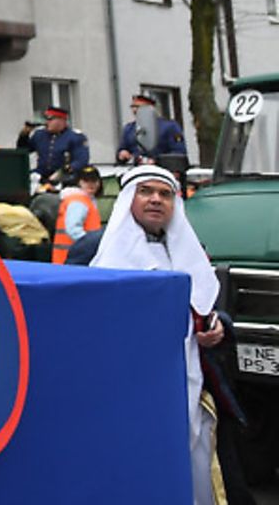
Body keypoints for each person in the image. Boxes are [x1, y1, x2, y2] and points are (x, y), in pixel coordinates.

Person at [92, 165, 226, 503]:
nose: (156, 200)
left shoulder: (189, 250)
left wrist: (218, 326)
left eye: (165, 194)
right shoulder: (94, 249)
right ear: (128, 199)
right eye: (146, 191)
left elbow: (204, 305)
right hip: (125, 388)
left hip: (185, 386)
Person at [21, 105, 90, 190]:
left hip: (65, 178)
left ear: (61, 120)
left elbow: (81, 161)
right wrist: (24, 135)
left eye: (50, 119)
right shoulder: (40, 134)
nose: (47, 123)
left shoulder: (75, 137)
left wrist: (62, 172)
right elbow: (24, 151)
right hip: (41, 176)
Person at [51, 165, 103, 264]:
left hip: (69, 259)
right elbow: (73, 230)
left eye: (94, 181)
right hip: (74, 260)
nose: (91, 184)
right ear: (79, 182)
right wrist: (93, 245)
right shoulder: (78, 202)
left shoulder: (83, 200)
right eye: (86, 181)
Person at [121, 95, 189, 168]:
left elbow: (178, 152)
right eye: (133, 107)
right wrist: (122, 154)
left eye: (139, 107)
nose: (134, 110)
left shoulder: (170, 126)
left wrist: (157, 161)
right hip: (136, 170)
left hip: (162, 170)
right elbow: (122, 149)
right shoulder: (129, 128)